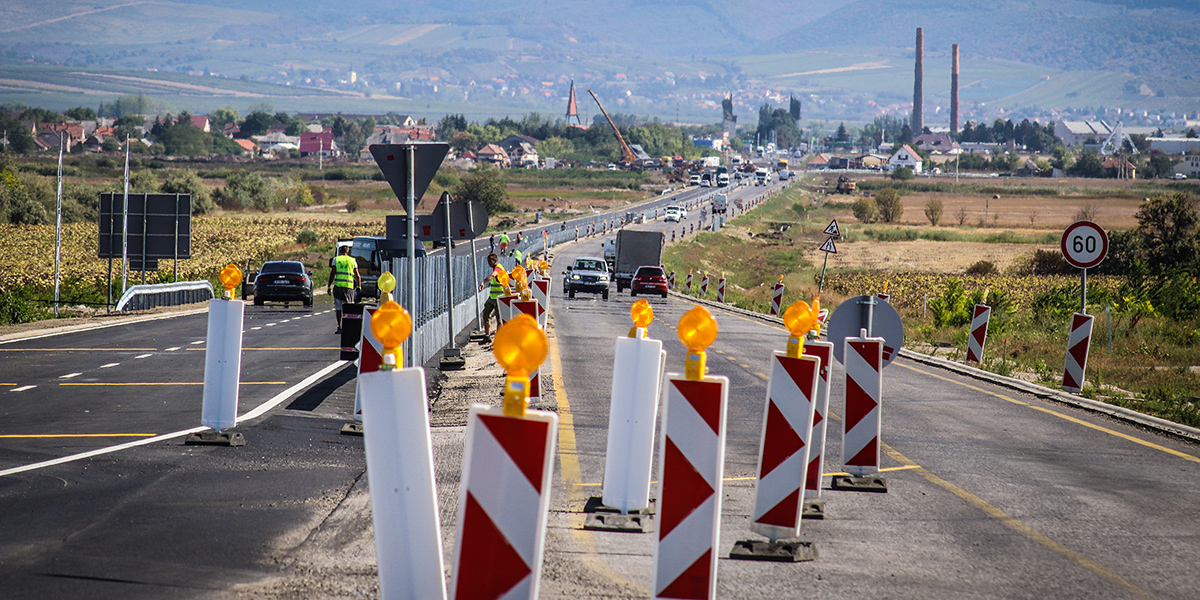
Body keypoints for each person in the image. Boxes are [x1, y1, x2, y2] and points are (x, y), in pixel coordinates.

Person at [329, 245, 360, 334]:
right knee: (349, 307)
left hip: (338, 287)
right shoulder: (352, 260)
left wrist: (329, 286)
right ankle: (349, 327)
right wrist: (359, 286)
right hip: (348, 288)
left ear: (340, 252)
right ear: (348, 252)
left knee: (338, 308)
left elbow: (333, 273)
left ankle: (340, 326)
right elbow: (357, 275)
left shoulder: (336, 260)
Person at [477, 253, 505, 337]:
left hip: (499, 298)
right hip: (492, 297)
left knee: (499, 318)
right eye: (488, 261)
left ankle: (498, 337)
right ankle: (487, 335)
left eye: (490, 261)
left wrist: (483, 282)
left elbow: (493, 275)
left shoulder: (498, 268)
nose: (488, 263)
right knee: (486, 315)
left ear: (495, 261)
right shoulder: (495, 269)